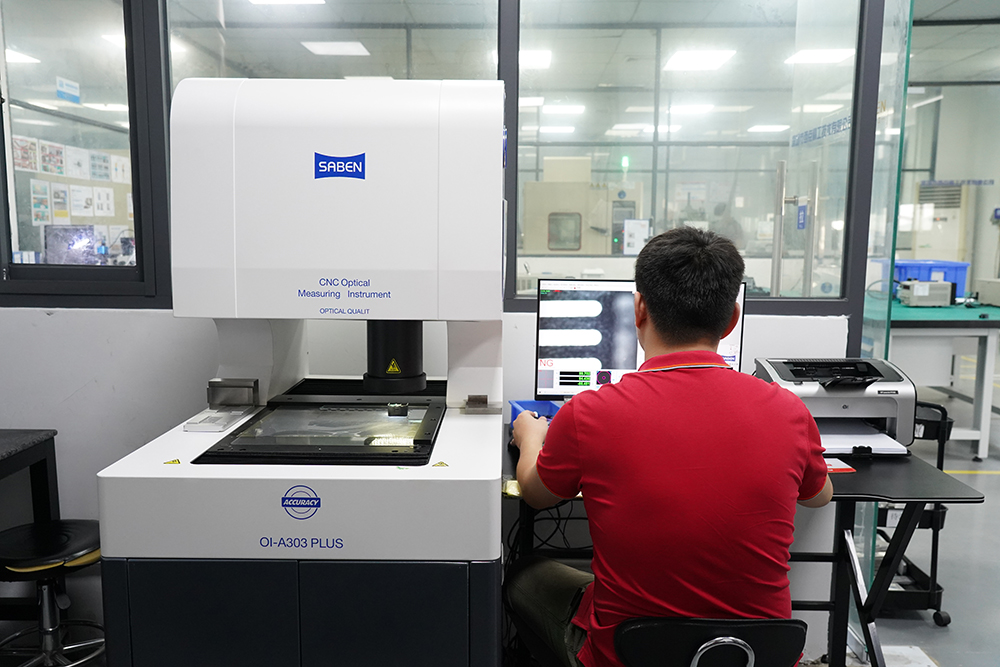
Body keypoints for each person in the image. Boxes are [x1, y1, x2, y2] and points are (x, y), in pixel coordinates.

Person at [505, 227, 832, 667]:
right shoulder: (788, 410)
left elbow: (537, 494)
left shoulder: (589, 413)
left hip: (630, 653)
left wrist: (530, 437)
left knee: (524, 575)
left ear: (639, 309)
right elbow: (819, 496)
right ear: (732, 318)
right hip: (758, 654)